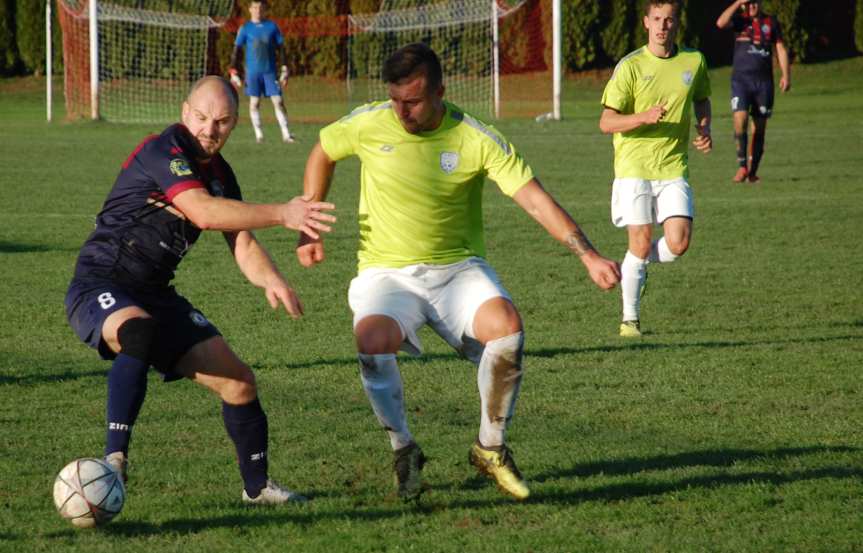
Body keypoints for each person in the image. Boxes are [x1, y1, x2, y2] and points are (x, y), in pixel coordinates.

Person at [296, 43, 620, 502]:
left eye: (412, 100)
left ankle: (490, 448)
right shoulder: (371, 122)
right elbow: (323, 151)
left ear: (440, 91)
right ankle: (403, 448)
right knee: (371, 341)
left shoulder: (474, 137)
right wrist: (309, 223)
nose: (402, 111)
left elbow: (533, 198)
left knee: (507, 329)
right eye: (395, 100)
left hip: (458, 270)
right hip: (387, 275)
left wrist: (587, 254)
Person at [64, 76, 336, 505]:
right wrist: (284, 213)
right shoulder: (163, 151)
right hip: (102, 281)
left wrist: (273, 278)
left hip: (154, 293)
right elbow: (203, 213)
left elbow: (241, 241)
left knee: (240, 383)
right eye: (202, 117)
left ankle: (257, 488)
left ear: (234, 125)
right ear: (184, 111)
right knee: (139, 332)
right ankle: (114, 460)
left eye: (222, 122)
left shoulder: (220, 174)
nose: (210, 129)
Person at [599, 0, 712, 338]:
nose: (663, 26)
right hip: (633, 167)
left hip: (673, 166)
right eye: (657, 19)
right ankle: (629, 320)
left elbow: (701, 98)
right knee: (642, 237)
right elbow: (606, 121)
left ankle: (634, 264)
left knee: (678, 244)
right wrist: (643, 117)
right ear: (646, 23)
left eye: (669, 20)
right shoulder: (630, 66)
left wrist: (704, 129)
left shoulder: (694, 60)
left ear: (677, 24)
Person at [717, 0, 790, 183]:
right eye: (748, 3)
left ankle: (753, 172)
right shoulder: (740, 21)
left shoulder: (771, 22)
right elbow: (720, 23)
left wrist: (786, 75)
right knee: (740, 119)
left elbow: (780, 48)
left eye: (755, 2)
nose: (752, 6)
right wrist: (737, 3)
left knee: (759, 128)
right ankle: (742, 166)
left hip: (763, 83)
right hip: (741, 82)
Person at [229, 0, 295, 144]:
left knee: (278, 101)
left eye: (260, 7)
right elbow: (237, 50)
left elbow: (281, 48)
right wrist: (233, 70)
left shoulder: (272, 27)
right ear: (250, 9)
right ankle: (259, 135)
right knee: (254, 103)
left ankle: (286, 134)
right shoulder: (245, 28)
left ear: (264, 9)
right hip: (252, 73)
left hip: (270, 72)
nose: (257, 10)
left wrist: (284, 67)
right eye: (255, 7)